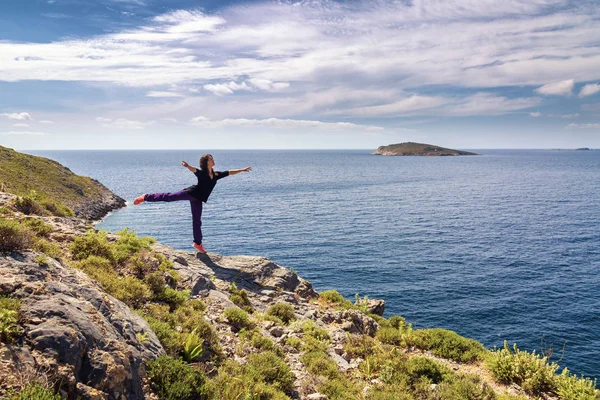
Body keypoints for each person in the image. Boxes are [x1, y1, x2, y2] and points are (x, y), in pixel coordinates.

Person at [133, 154, 251, 253]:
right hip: (190, 193)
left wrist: (242, 170)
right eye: (211, 159)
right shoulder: (202, 173)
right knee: (169, 197)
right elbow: (194, 170)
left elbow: (229, 172)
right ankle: (145, 197)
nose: (213, 160)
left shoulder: (216, 175)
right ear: (206, 162)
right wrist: (187, 166)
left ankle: (197, 243)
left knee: (197, 221)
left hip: (198, 199)